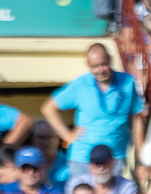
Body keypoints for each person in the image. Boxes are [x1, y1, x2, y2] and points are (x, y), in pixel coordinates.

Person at [42, 44, 145, 177]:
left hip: (114, 158)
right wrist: (67, 135)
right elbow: (49, 108)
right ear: (88, 65)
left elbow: (138, 121)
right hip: (83, 158)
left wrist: (142, 161)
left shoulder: (128, 82)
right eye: (94, 66)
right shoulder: (81, 84)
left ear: (110, 60)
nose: (100, 70)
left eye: (103, 64)